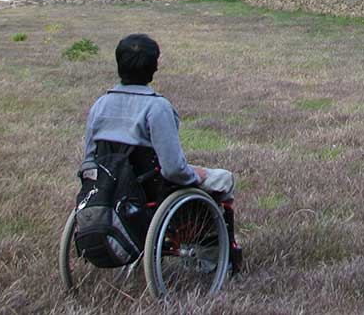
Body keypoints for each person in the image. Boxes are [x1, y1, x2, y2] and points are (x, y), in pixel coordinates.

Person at [79, 34, 243, 271]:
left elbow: (89, 162)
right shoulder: (157, 108)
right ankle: (213, 256)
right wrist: (197, 175)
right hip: (152, 194)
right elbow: (174, 170)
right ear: (153, 68)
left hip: (113, 190)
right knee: (224, 179)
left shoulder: (99, 106)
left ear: (119, 64)